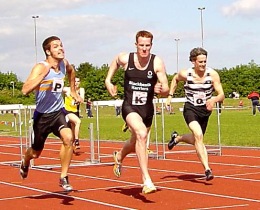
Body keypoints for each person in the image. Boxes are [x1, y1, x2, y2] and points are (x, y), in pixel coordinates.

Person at [105, 30, 169, 194]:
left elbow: (166, 89)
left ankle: (119, 156)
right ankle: (146, 180)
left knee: (136, 141)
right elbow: (115, 61)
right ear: (136, 45)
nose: (144, 49)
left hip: (147, 109)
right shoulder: (126, 58)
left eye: (147, 46)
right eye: (141, 45)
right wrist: (108, 81)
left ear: (151, 46)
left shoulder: (156, 62)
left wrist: (159, 89)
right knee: (141, 135)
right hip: (130, 107)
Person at [20, 36, 82, 191]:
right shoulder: (40, 67)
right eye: (56, 46)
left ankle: (63, 177)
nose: (61, 48)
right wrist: (43, 75)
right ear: (48, 51)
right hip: (42, 116)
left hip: (57, 112)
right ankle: (25, 160)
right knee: (35, 154)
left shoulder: (64, 64)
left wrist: (73, 91)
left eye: (61, 45)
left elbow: (71, 71)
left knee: (69, 138)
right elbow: (25, 90)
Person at [166, 47, 225, 181]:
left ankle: (177, 138)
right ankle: (207, 169)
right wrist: (170, 96)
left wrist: (214, 99)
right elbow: (175, 79)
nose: (203, 64)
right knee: (198, 135)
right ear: (193, 61)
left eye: (205, 61)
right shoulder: (186, 74)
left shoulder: (213, 74)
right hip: (190, 108)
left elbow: (221, 94)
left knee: (196, 139)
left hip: (205, 111)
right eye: (200, 62)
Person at [64, 77, 85, 150]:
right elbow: (60, 89)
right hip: (67, 111)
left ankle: (71, 145)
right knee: (78, 122)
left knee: (73, 130)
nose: (76, 83)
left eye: (78, 81)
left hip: (76, 111)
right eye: (75, 81)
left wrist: (75, 94)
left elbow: (82, 100)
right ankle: (76, 140)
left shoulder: (81, 90)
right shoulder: (67, 89)